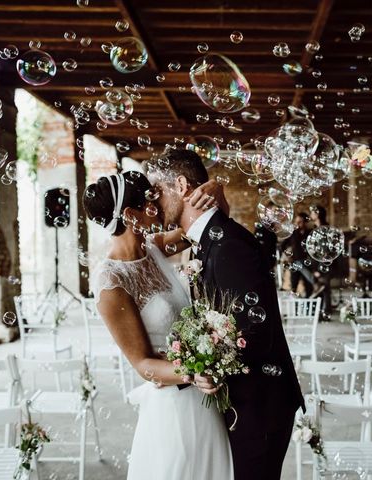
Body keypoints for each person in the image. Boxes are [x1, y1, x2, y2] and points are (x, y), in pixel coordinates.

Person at [146, 148, 305, 480]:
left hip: (260, 406)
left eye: (157, 192)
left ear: (181, 186)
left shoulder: (228, 245)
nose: (153, 203)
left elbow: (254, 331)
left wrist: (194, 364)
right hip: (248, 402)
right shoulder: (207, 241)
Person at [84, 171, 233, 480]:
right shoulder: (111, 282)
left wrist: (215, 187)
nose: (159, 206)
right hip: (174, 402)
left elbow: (211, 225)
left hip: (204, 395)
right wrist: (195, 371)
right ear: (129, 214)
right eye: (150, 202)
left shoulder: (154, 247)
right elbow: (141, 364)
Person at [280, 212, 314, 297]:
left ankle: (310, 304)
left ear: (305, 222)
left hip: (306, 262)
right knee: (294, 284)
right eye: (296, 222)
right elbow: (282, 245)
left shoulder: (309, 233)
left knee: (308, 285)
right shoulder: (293, 233)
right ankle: (295, 306)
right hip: (294, 262)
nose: (297, 224)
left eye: (300, 222)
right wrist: (288, 255)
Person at [310, 205, 334, 316]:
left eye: (313, 212)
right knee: (321, 287)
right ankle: (321, 310)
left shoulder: (326, 228)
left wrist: (319, 267)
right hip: (315, 262)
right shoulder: (314, 228)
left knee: (325, 287)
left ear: (318, 214)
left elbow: (326, 249)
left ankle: (326, 311)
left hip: (325, 262)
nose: (311, 214)